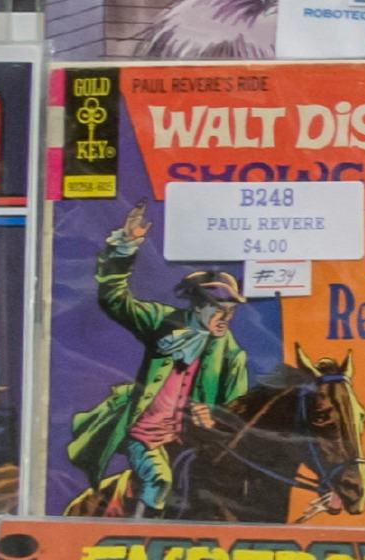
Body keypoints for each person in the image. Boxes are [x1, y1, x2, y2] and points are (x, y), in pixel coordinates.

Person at [56, 214, 254, 517]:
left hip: (193, 443)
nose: (226, 317)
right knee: (158, 480)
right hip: (146, 437)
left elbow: (237, 416)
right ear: (198, 305)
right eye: (218, 309)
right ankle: (141, 538)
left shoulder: (232, 356)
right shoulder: (163, 322)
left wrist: (213, 417)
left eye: (231, 310)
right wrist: (124, 247)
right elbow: (114, 299)